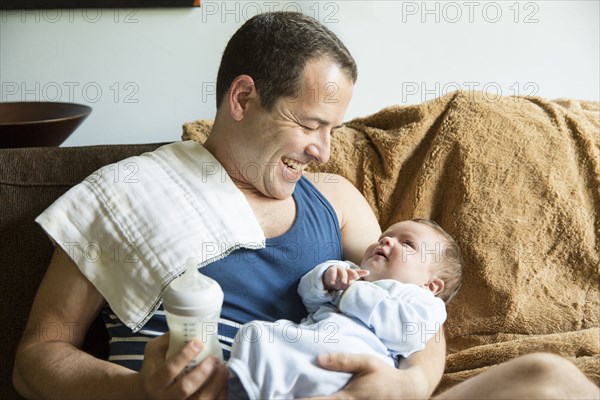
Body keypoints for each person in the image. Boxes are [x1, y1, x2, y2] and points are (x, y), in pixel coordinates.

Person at [12, 11, 599, 400]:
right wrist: (139, 390)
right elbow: (38, 355)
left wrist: (410, 384)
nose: (323, 151)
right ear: (243, 97)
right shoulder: (127, 193)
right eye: (310, 125)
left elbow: (416, 307)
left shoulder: (338, 201)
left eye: (333, 130)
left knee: (554, 380)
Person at [227, 219, 463, 399]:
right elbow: (308, 298)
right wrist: (325, 280)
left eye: (408, 244)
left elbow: (407, 334)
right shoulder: (349, 272)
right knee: (257, 333)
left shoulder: (422, 302)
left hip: (348, 365)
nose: (386, 241)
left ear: (431, 285)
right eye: (385, 236)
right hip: (306, 341)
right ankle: (246, 385)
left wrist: (350, 293)